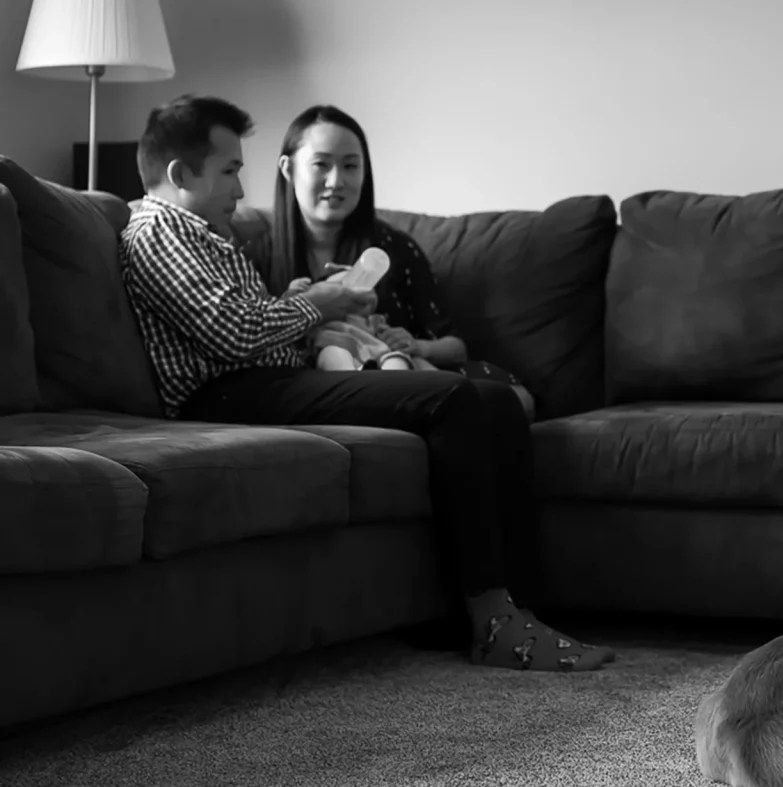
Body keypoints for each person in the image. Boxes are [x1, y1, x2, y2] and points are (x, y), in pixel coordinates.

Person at [119, 93, 614, 673]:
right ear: (180, 174)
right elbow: (233, 333)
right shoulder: (159, 231)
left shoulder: (203, 232)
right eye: (230, 171)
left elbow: (244, 319)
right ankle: (493, 619)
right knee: (458, 400)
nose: (239, 189)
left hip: (264, 379)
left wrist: (305, 302)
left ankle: (515, 611)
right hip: (230, 394)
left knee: (491, 400)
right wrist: (320, 303)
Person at [267, 104, 536, 420]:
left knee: (516, 400)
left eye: (351, 166)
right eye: (321, 164)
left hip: (400, 377)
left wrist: (418, 347)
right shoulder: (256, 253)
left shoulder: (394, 248)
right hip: (315, 387)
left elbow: (454, 346)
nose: (336, 180)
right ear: (288, 169)